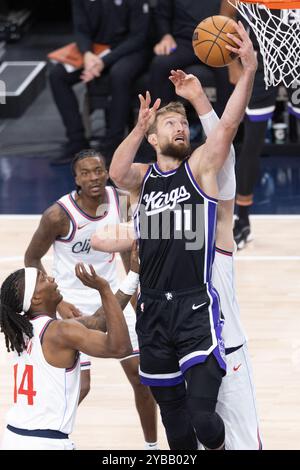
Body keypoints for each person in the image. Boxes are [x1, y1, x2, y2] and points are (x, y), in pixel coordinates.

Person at [109, 22, 257, 449]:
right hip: (152, 310)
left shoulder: (200, 169)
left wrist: (244, 73)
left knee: (203, 420)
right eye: (170, 123)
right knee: (176, 428)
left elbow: (226, 130)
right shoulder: (143, 178)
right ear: (154, 138)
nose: (180, 128)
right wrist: (140, 126)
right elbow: (116, 172)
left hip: (195, 305)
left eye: (182, 124)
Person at [24, 150, 158, 450]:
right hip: (73, 304)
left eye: (98, 170)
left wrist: (136, 296)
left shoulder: (120, 200)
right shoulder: (57, 215)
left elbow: (126, 251)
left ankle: (152, 448)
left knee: (141, 378)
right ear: (76, 179)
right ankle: (48, 437)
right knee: (80, 386)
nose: (94, 177)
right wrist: (57, 304)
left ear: (107, 171)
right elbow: (31, 258)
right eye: (86, 172)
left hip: (113, 298)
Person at [0, 258, 137, 449]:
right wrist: (104, 289)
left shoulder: (22, 329)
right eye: (43, 279)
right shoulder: (60, 331)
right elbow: (121, 348)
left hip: (14, 438)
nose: (52, 278)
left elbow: (98, 321)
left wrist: (133, 276)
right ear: (36, 298)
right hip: (45, 443)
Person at [220, 0, 300, 249]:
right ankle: (242, 220)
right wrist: (232, 64)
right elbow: (226, 15)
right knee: (252, 142)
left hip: (297, 62)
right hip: (260, 64)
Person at [49, 0, 150, 165]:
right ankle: (77, 141)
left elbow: (138, 37)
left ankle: (113, 143)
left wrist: (104, 62)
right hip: (96, 50)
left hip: (129, 49)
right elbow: (81, 30)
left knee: (119, 74)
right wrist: (87, 53)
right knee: (57, 75)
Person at [148, 0, 233, 117]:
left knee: (230, 70)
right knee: (160, 64)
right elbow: (162, 14)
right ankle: (163, 125)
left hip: (217, 40)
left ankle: (225, 130)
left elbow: (232, 13)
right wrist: (166, 35)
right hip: (184, 41)